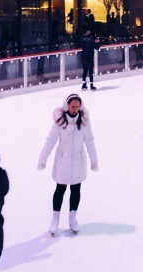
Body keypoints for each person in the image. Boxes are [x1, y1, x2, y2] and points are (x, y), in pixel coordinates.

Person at [38, 93, 98, 235]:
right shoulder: (60, 121)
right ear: (67, 105)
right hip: (63, 161)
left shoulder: (84, 121)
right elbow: (50, 141)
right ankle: (55, 218)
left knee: (76, 190)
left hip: (78, 160)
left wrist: (94, 161)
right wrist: (42, 160)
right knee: (60, 189)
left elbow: (89, 141)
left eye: (77, 106)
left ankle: (72, 217)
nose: (74, 109)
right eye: (72, 106)